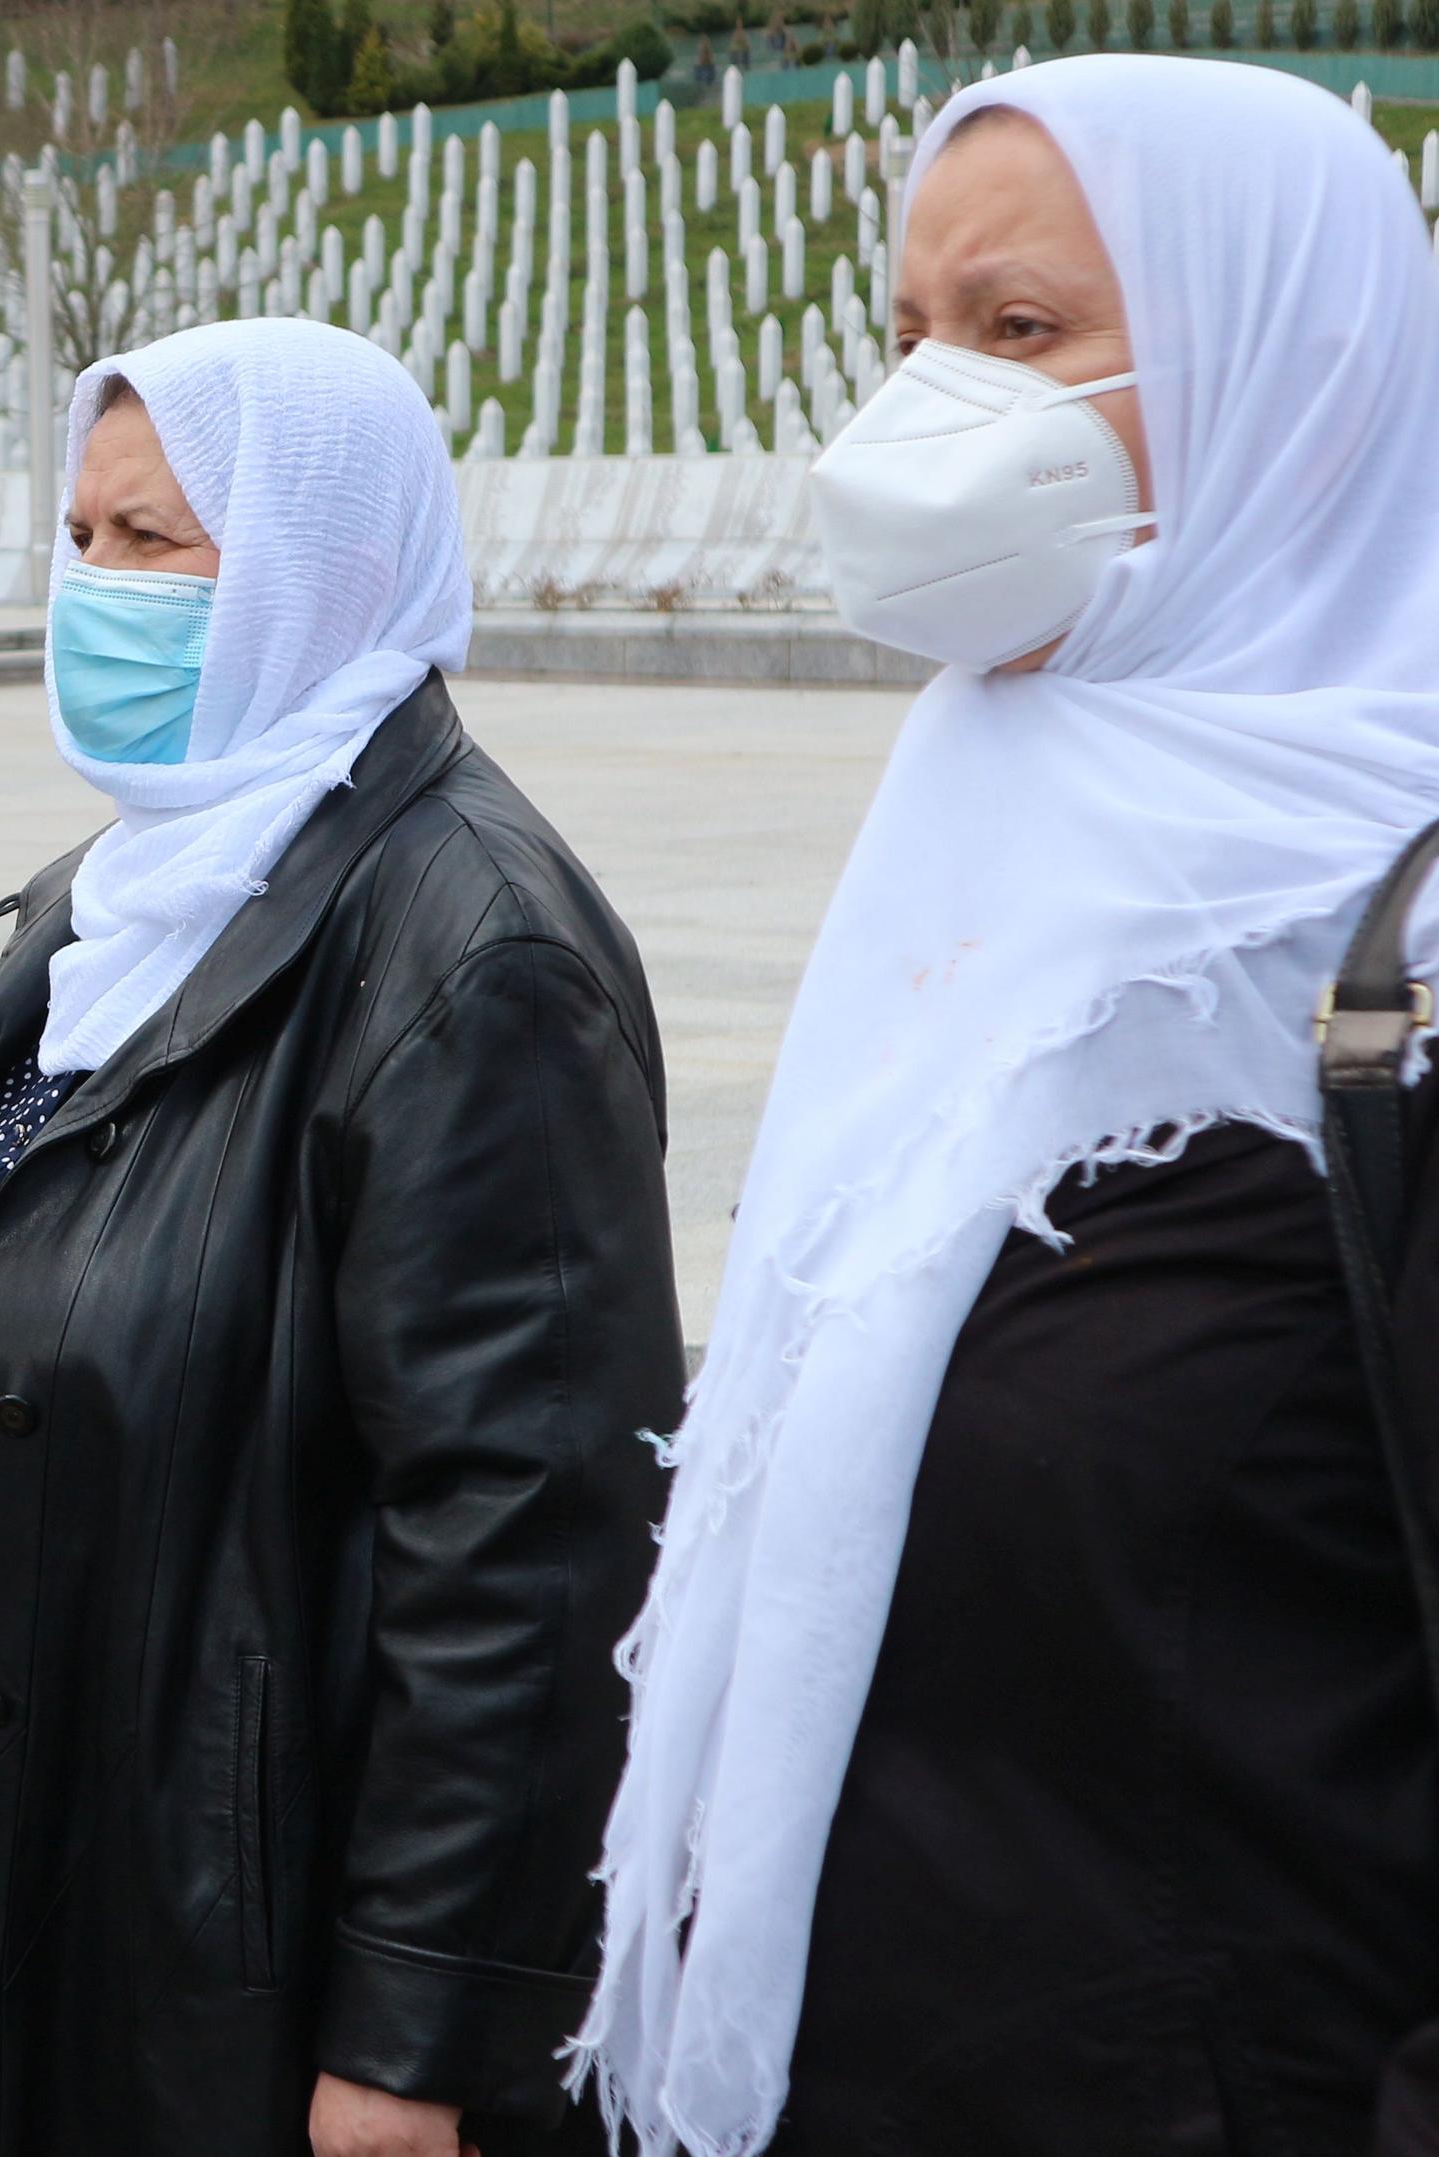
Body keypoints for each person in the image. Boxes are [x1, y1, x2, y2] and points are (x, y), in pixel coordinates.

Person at [576, 57, 1439, 2157]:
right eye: (910, 335)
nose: (927, 406)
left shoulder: (1405, 951)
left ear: (1284, 375)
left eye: (1022, 328)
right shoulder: (967, 849)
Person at [0, 321, 678, 2157]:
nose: (96, 593)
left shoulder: (478, 950)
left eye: (156, 543)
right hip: (0, 1879)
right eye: (81, 537)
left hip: (217, 1972)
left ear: (333, 569)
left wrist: (416, 2034)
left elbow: (528, 1552)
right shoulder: (125, 898)